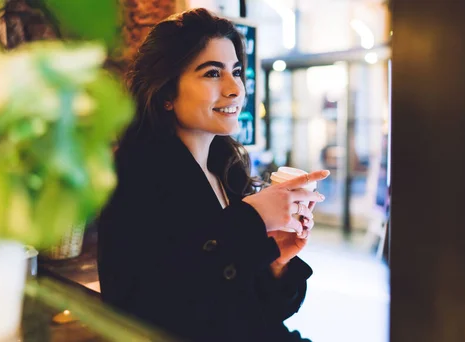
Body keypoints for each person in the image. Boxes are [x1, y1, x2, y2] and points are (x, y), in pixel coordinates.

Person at [97, 8, 329, 342]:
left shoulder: (227, 173)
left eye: (236, 71)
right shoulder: (134, 178)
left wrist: (276, 261)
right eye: (212, 74)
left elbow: (248, 310)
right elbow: (159, 311)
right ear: (165, 93)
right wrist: (251, 219)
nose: (235, 88)